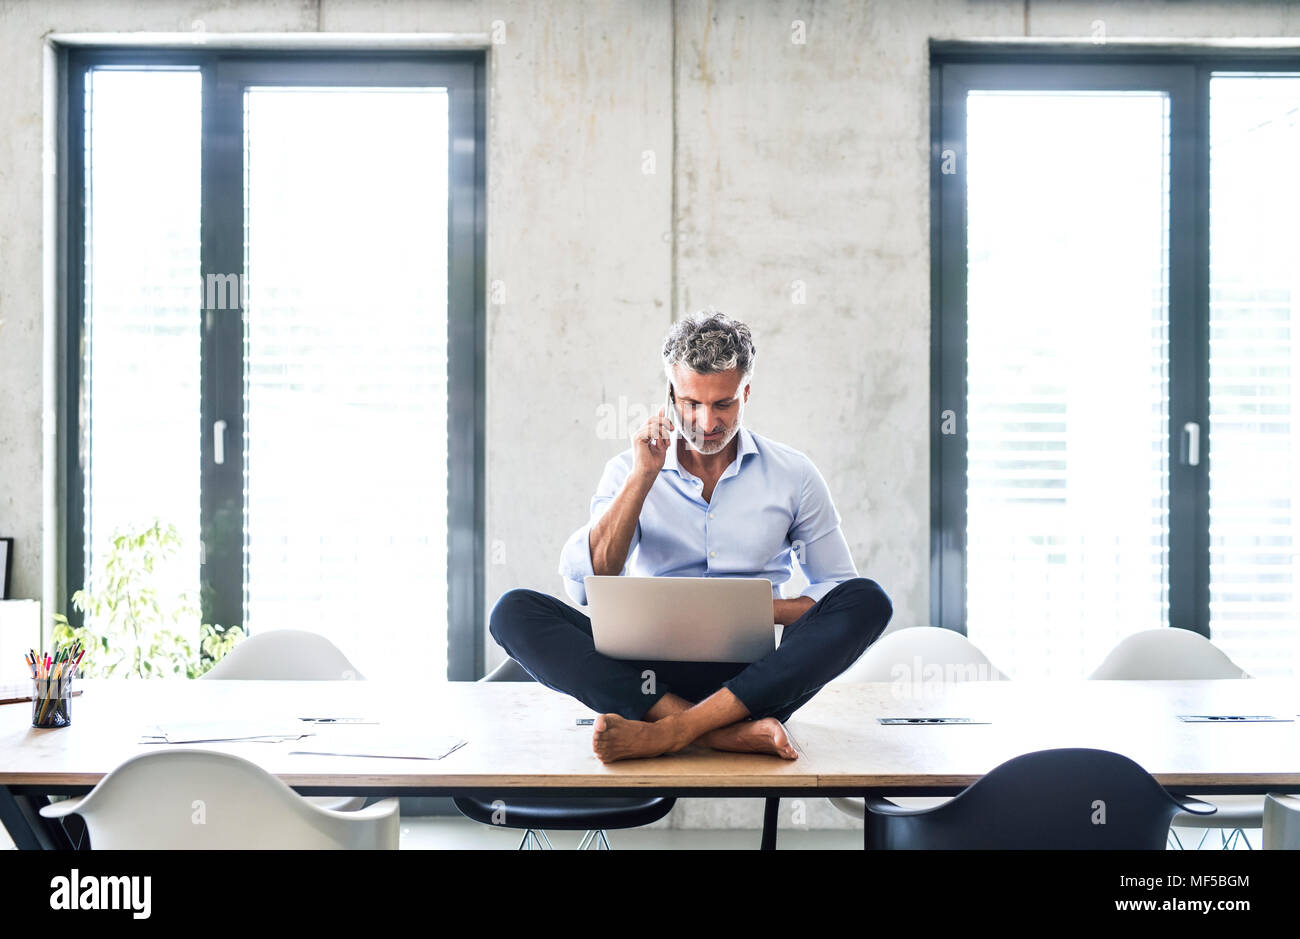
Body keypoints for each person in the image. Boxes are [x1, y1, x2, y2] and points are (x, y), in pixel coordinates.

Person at [490, 309, 892, 763]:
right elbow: (586, 584)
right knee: (513, 611)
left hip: (756, 682)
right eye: (690, 403)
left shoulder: (793, 474)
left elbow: (835, 589)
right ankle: (721, 734)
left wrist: (750, 612)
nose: (705, 422)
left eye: (723, 404)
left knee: (868, 600)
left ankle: (675, 730)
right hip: (642, 680)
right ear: (669, 394)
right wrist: (644, 476)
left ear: (746, 391)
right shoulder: (629, 470)